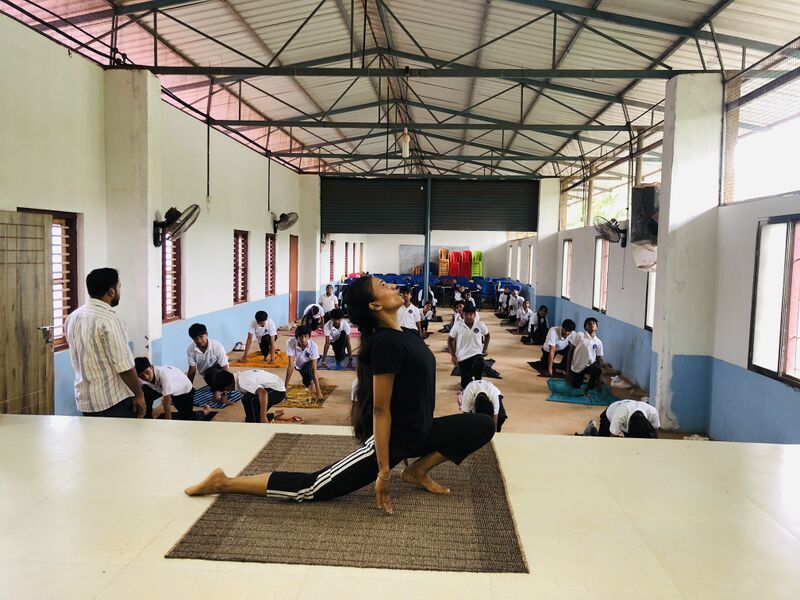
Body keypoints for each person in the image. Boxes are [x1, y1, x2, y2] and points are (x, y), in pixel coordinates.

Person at [185, 275, 495, 512]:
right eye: (383, 285)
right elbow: (381, 410)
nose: (391, 286)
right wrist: (384, 470)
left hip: (421, 431)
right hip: (394, 439)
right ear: (375, 305)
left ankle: (416, 470)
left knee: (482, 425)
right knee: (312, 487)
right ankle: (224, 482)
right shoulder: (387, 343)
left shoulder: (407, 334)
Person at [65, 268, 145, 418]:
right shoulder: (109, 321)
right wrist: (139, 394)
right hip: (113, 402)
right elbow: (124, 367)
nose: (120, 291)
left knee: (97, 441)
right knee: (122, 441)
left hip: (85, 401)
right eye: (119, 286)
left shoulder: (73, 317)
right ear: (111, 291)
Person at [135, 357, 214, 421]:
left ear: (152, 367)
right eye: (141, 376)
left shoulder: (164, 375)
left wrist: (167, 423)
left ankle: (205, 411)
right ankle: (147, 418)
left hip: (183, 391)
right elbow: (139, 393)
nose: (146, 377)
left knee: (188, 418)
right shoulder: (140, 379)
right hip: (162, 388)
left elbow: (166, 402)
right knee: (145, 393)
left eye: (147, 372)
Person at [212, 369, 295, 424]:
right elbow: (225, 393)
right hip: (271, 386)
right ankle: (273, 415)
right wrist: (224, 396)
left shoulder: (243, 382)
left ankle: (261, 420)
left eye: (222, 391)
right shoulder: (234, 377)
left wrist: (263, 418)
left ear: (227, 387)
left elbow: (263, 393)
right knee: (249, 418)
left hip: (278, 391)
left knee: (251, 400)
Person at [448, 303, 491, 390]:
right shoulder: (457, 325)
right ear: (463, 315)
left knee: (480, 363)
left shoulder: (480, 324)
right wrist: (453, 355)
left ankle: (478, 381)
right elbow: (450, 340)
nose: (468, 316)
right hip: (463, 356)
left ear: (474, 315)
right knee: (465, 385)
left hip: (476, 353)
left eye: (471, 314)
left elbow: (487, 335)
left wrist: (485, 349)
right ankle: (467, 381)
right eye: (466, 314)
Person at [186, 323, 231, 404]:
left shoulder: (216, 346)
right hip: (206, 375)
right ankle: (217, 391)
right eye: (195, 338)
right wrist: (187, 388)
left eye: (201, 337)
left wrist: (225, 394)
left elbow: (225, 368)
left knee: (212, 371)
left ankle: (220, 391)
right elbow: (192, 370)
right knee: (209, 373)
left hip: (220, 371)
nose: (199, 340)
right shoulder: (190, 349)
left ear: (206, 334)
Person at [584, 400, 660, 438]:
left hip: (628, 407)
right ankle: (592, 427)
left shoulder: (652, 413)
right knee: (601, 440)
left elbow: (656, 434)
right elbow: (612, 439)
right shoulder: (619, 416)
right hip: (610, 414)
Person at [285, 325, 323, 401]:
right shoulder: (290, 343)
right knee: (305, 381)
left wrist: (318, 391)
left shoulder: (313, 346)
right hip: (299, 364)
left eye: (306, 336)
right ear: (296, 338)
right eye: (300, 337)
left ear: (309, 337)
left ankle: (312, 381)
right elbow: (291, 366)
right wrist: (285, 388)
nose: (303, 339)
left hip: (310, 361)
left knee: (309, 371)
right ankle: (311, 380)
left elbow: (313, 369)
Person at [568, 317, 605, 391]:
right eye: (589, 323)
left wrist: (599, 380)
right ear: (585, 327)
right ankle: (578, 379)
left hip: (590, 365)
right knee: (575, 386)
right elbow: (570, 351)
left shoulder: (598, 342)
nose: (592, 324)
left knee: (597, 369)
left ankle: (589, 387)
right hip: (577, 366)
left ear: (597, 327)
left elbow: (599, 360)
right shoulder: (580, 335)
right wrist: (568, 370)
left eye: (594, 323)